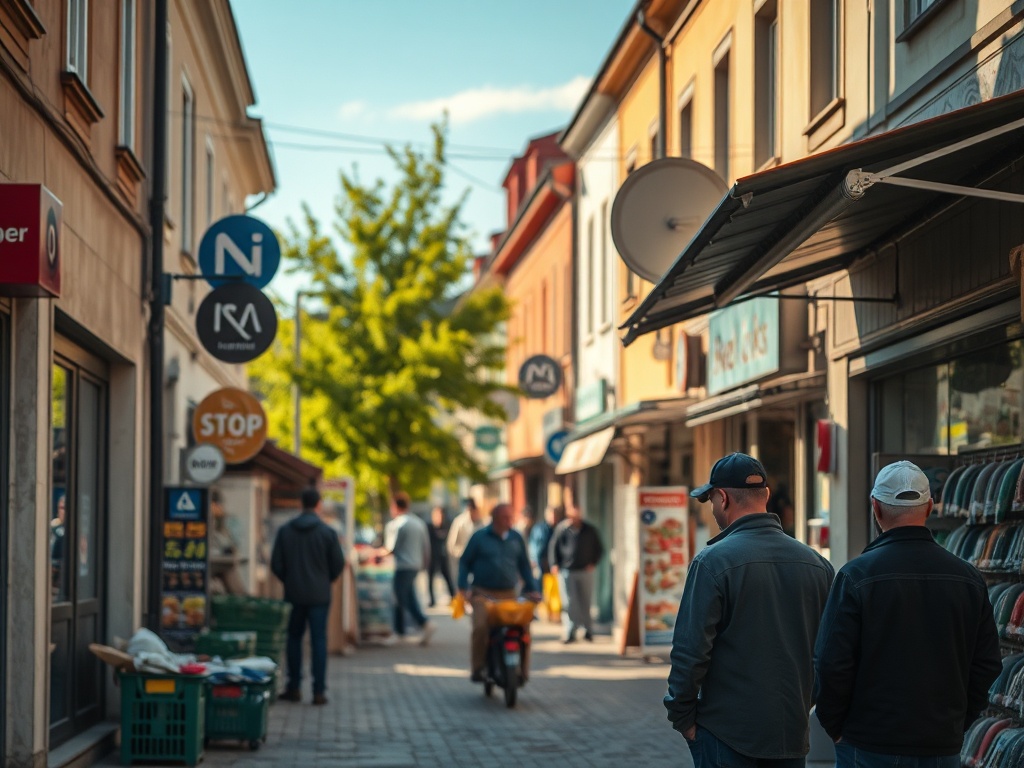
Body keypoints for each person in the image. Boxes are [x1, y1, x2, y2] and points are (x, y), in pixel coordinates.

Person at [813, 460, 1002, 767]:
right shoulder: (968, 578)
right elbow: (987, 664)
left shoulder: (856, 576)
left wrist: (834, 725)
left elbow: (831, 663)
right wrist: (955, 723)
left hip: (868, 744)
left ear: (875, 508)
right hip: (941, 745)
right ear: (929, 508)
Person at [665, 452, 834, 767]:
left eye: (712, 500)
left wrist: (683, 717)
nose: (713, 509)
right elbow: (830, 653)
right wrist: (805, 703)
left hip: (726, 734)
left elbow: (690, 651)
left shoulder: (712, 562)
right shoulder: (818, 565)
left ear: (723, 498)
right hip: (791, 735)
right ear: (766, 495)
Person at [270, 487, 345, 705]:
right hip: (320, 595)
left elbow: (276, 564)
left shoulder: (285, 531)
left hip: (293, 594)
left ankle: (293, 687)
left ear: (300, 504)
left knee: (294, 639)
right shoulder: (327, 532)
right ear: (319, 505)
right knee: (319, 640)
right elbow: (338, 564)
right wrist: (325, 579)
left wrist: (290, 579)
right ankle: (319, 691)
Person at [457, 502, 540, 681]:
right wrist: (462, 587)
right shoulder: (479, 537)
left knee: (524, 628)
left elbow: (524, 566)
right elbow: (464, 562)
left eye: (511, 517)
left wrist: (532, 589)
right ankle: (478, 669)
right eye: (505, 517)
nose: (509, 521)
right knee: (480, 627)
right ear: (495, 519)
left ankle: (522, 672)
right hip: (483, 594)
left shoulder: (516, 538)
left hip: (509, 594)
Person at [382, 491, 435, 645]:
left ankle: (400, 631)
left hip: (403, 566)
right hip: (416, 565)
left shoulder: (398, 524)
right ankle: (424, 624)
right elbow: (426, 548)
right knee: (410, 597)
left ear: (395, 506)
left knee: (398, 598)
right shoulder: (419, 523)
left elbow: (390, 548)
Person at [548, 502, 604, 643]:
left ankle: (588, 630)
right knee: (569, 602)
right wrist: (554, 564)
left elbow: (599, 548)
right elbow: (553, 547)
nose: (574, 518)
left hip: (585, 570)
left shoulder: (589, 529)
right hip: (567, 570)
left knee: (585, 601)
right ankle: (570, 631)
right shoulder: (563, 529)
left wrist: (593, 563)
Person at [446, 496, 484, 577]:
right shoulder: (460, 522)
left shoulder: (480, 523)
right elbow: (451, 544)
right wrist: (458, 554)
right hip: (463, 557)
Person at [426, 505, 455, 607]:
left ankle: (453, 597)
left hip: (443, 556)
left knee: (447, 577)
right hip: (432, 557)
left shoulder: (447, 526)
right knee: (430, 579)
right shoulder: (429, 527)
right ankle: (432, 600)